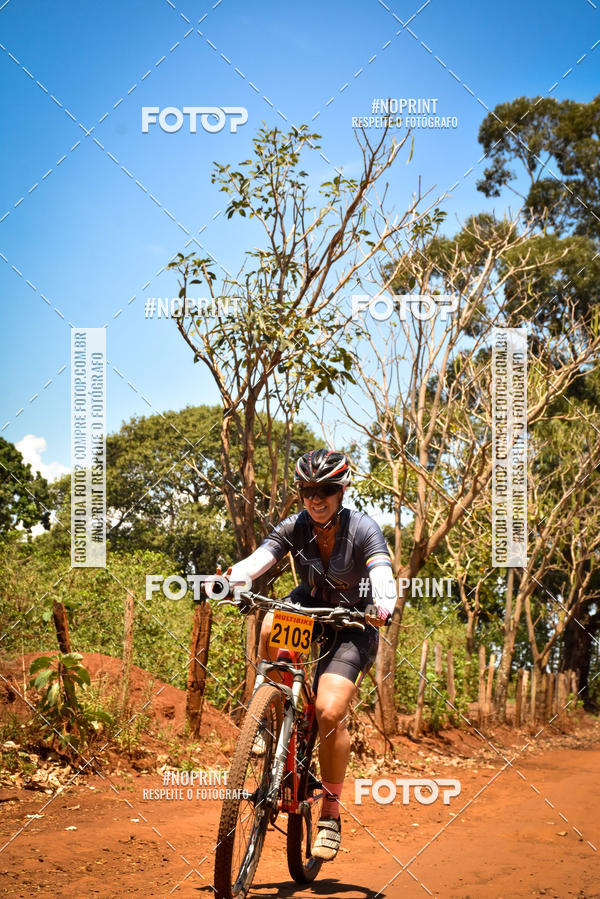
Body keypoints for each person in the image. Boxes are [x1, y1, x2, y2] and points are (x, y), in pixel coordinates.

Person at [220, 449, 396, 862]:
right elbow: (260, 559)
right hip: (312, 605)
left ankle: (330, 814)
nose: (316, 500)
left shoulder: (363, 528)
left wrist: (382, 605)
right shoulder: (295, 526)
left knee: (331, 712)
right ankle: (278, 717)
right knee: (268, 623)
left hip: (355, 618)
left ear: (342, 490)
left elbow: (382, 574)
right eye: (307, 492)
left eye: (327, 491)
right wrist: (231, 578)